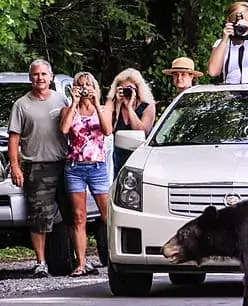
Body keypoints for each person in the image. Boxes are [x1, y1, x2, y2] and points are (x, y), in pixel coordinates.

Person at [7, 59, 70, 278]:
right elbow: (14, 139)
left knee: (71, 214)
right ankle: (40, 262)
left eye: (44, 74)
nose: (40, 78)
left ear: (51, 77)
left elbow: (77, 126)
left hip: (64, 163)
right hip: (36, 166)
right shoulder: (21, 105)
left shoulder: (62, 99)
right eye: (36, 74)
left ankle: (77, 262)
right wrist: (15, 167)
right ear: (30, 78)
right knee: (38, 216)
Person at [59, 71, 113, 277]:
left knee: (107, 214)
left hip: (97, 166)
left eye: (88, 84)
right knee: (79, 217)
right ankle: (81, 263)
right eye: (80, 84)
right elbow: (64, 129)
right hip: (75, 167)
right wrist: (74, 103)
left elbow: (107, 131)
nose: (84, 88)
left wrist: (96, 102)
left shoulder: (104, 109)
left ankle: (114, 257)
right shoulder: (67, 109)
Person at [103, 67, 156, 170]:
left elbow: (142, 132)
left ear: (138, 89)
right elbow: (109, 130)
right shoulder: (112, 103)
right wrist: (117, 105)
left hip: (140, 156)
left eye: (130, 89)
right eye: (123, 89)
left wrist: (129, 107)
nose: (127, 92)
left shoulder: (148, 106)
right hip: (117, 157)